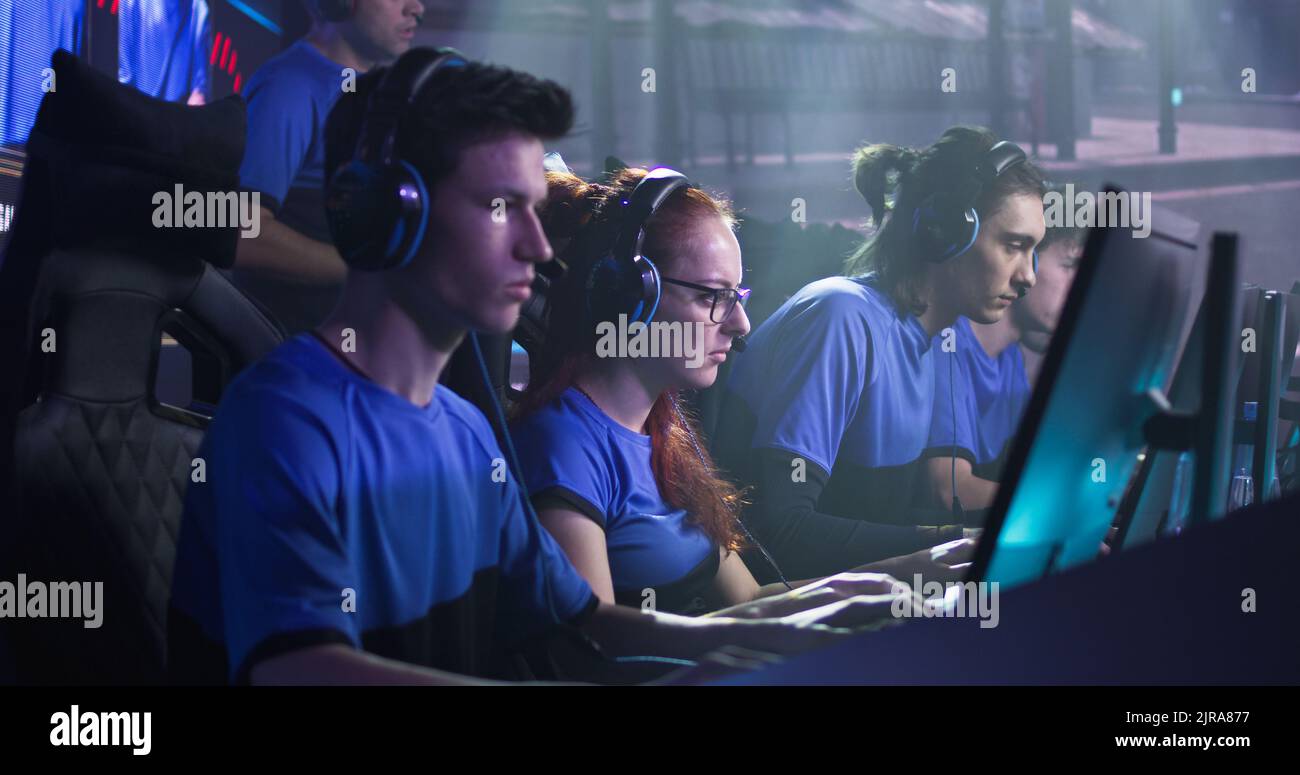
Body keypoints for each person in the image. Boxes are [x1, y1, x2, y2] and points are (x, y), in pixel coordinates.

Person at [168, 48, 914, 686]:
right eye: (500, 206)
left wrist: (812, 620)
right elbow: (303, 671)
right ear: (394, 210)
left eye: (534, 208)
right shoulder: (283, 419)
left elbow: (580, 621)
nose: (537, 243)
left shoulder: (463, 430)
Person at [510, 163, 974, 617]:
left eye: (738, 296)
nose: (740, 324)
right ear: (631, 295)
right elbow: (593, 646)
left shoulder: (667, 432)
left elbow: (748, 599)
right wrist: (757, 636)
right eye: (712, 296)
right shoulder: (562, 445)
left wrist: (903, 573)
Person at [711, 126, 1046, 581]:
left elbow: (875, 522)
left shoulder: (929, 345)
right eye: (1013, 246)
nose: (1029, 277)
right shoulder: (842, 317)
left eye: (1034, 251)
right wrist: (957, 545)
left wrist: (1025, 534)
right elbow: (778, 531)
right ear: (944, 232)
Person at [232, 0, 426, 333]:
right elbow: (241, 232)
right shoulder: (289, 87)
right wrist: (367, 271)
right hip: (301, 351)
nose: (416, 8)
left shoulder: (382, 92)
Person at [922, 196, 1086, 512]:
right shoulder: (947, 345)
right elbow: (949, 490)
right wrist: (1063, 506)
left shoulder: (1009, 359)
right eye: (1069, 266)